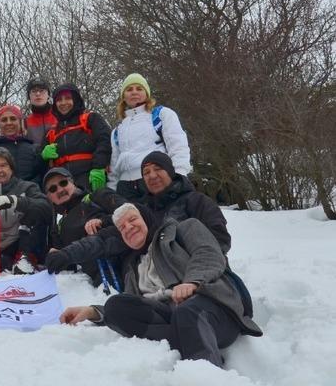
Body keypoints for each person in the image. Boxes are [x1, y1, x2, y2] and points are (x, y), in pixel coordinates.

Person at [58, 203, 261, 368]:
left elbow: (209, 254)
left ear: (145, 218)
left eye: (132, 220)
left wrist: (192, 282)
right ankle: (187, 342)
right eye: (122, 227)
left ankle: (205, 372)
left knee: (187, 312)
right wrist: (92, 312)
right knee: (116, 306)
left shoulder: (183, 229)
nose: (128, 227)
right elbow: (136, 304)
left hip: (212, 309)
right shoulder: (132, 269)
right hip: (172, 319)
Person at [84, 151, 230, 255]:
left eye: (158, 169)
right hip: (158, 280)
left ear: (170, 172)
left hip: (200, 272)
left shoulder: (196, 200)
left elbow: (220, 239)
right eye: (146, 173)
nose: (152, 176)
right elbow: (126, 220)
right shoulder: (145, 207)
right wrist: (101, 222)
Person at [108, 73, 191, 200]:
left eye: (139, 88)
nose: (134, 92)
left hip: (154, 180)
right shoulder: (117, 131)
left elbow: (178, 146)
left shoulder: (161, 115)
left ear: (147, 93)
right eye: (129, 89)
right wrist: (111, 192)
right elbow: (114, 166)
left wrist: (179, 176)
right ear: (123, 97)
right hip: (126, 188)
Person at [42, 167, 125, 286]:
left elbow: (130, 211)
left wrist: (102, 221)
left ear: (73, 183)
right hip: (89, 282)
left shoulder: (96, 196)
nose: (60, 189)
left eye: (63, 183)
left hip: (116, 266)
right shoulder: (58, 223)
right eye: (53, 188)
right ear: (49, 197)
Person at [40, 83, 112, 193]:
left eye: (68, 98)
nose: (63, 103)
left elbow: (104, 140)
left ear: (76, 100)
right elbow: (37, 159)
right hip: (64, 185)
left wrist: (99, 167)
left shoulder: (90, 119)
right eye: (59, 100)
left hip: (90, 178)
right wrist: (42, 155)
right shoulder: (51, 132)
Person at [0, 104, 45, 185]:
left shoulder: (35, 148)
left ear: (20, 122)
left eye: (13, 119)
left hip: (30, 194)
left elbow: (41, 175)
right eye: (4, 120)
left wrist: (28, 189)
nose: (8, 123)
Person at [23, 77, 57, 150]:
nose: (38, 94)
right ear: (29, 96)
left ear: (48, 95)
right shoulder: (24, 123)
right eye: (34, 91)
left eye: (42, 91)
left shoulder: (59, 117)